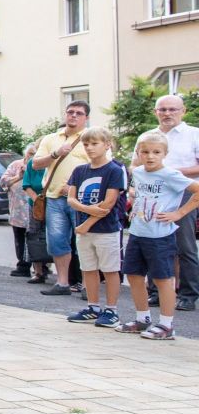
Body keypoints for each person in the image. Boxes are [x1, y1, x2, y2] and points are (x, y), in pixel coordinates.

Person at [116, 130, 199, 340]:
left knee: (163, 279)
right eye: (145, 152)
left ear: (164, 153)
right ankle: (142, 318)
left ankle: (167, 324)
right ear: (138, 153)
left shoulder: (170, 174)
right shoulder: (139, 172)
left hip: (160, 236)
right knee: (134, 275)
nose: (150, 156)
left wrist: (179, 212)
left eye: (156, 152)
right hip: (137, 232)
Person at [140, 95, 199, 311]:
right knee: (154, 245)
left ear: (183, 111)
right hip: (153, 194)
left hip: (184, 193)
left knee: (184, 246)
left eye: (172, 109)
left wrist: (171, 174)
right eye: (162, 109)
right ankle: (156, 291)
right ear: (156, 112)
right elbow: (136, 163)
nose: (167, 114)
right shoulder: (148, 136)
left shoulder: (194, 134)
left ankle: (188, 295)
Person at [64, 127, 126, 328]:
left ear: (107, 145)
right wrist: (84, 210)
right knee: (88, 268)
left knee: (109, 269)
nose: (89, 148)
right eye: (86, 144)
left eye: (94, 144)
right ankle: (93, 306)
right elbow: (71, 198)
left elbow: (108, 204)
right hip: (84, 230)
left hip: (106, 230)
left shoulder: (114, 170)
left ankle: (112, 309)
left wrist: (86, 223)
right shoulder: (80, 170)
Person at [32, 102, 90, 296]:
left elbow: (100, 166)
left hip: (82, 198)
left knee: (84, 241)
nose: (73, 116)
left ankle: (87, 285)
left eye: (79, 113)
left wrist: (75, 187)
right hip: (54, 197)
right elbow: (36, 164)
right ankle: (62, 283)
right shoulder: (51, 138)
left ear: (86, 118)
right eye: (70, 112)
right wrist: (56, 153)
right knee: (57, 241)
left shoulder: (91, 137)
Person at [23, 138, 53, 283]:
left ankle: (49, 267)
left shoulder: (54, 163)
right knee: (34, 235)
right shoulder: (31, 164)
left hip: (53, 202)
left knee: (52, 235)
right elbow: (26, 184)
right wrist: (38, 201)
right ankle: (38, 271)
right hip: (35, 204)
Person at [0, 144, 33, 278]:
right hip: (17, 210)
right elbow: (3, 182)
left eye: (35, 154)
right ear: (25, 154)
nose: (32, 156)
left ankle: (40, 267)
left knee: (35, 238)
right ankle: (23, 265)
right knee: (19, 238)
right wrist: (19, 176)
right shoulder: (15, 165)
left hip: (34, 210)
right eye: (30, 153)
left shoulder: (40, 166)